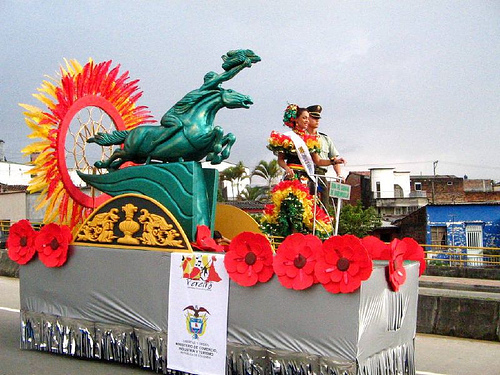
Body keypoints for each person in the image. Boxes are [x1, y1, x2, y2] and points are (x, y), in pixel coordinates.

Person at [267, 104, 338, 189]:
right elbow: (280, 160)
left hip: (306, 177)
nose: (307, 121)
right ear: (296, 119)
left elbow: (318, 161)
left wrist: (334, 161)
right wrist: (286, 168)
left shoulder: (310, 140)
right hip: (291, 175)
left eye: (308, 118)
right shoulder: (287, 137)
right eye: (304, 118)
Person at [306, 105, 345, 206]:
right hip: (305, 174)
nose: (317, 121)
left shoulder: (325, 139)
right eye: (314, 118)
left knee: (324, 205)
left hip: (321, 174)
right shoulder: (300, 137)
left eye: (318, 118)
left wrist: (339, 174)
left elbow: (334, 158)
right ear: (307, 118)